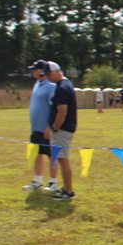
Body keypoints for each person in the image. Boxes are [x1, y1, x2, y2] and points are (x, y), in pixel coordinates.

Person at [22, 60, 59, 191]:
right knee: (37, 154)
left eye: (35, 69)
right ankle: (37, 181)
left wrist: (49, 127)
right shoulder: (37, 84)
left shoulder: (51, 85)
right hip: (35, 128)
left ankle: (53, 183)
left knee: (51, 155)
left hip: (46, 129)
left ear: (43, 70)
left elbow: (54, 108)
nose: (32, 71)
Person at [46, 62, 78, 201]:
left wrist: (55, 127)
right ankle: (66, 187)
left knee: (63, 159)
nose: (47, 77)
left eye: (49, 74)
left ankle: (69, 191)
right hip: (64, 128)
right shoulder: (64, 85)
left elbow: (62, 112)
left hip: (62, 129)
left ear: (57, 71)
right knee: (61, 158)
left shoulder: (62, 88)